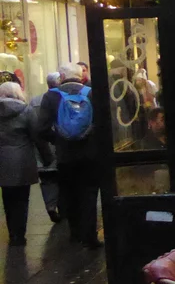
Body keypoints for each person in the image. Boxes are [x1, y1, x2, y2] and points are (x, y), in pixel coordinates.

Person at [39, 63, 100, 247]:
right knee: (89, 194)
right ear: (81, 76)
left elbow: (40, 128)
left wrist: (57, 139)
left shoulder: (51, 96)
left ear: (62, 77)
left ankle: (75, 234)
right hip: (90, 154)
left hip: (65, 156)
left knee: (69, 193)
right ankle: (90, 236)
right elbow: (103, 122)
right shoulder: (91, 93)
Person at [0, 82, 50, 245]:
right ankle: (19, 234)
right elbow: (37, 136)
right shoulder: (26, 110)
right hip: (22, 159)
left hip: (2, 159)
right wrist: (47, 157)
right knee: (22, 199)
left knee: (7, 198)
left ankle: (13, 233)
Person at [31, 72, 60, 222]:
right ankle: (63, 207)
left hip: (41, 149)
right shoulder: (62, 98)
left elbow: (33, 126)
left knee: (47, 180)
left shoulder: (35, 101)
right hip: (59, 145)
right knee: (62, 179)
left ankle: (50, 206)